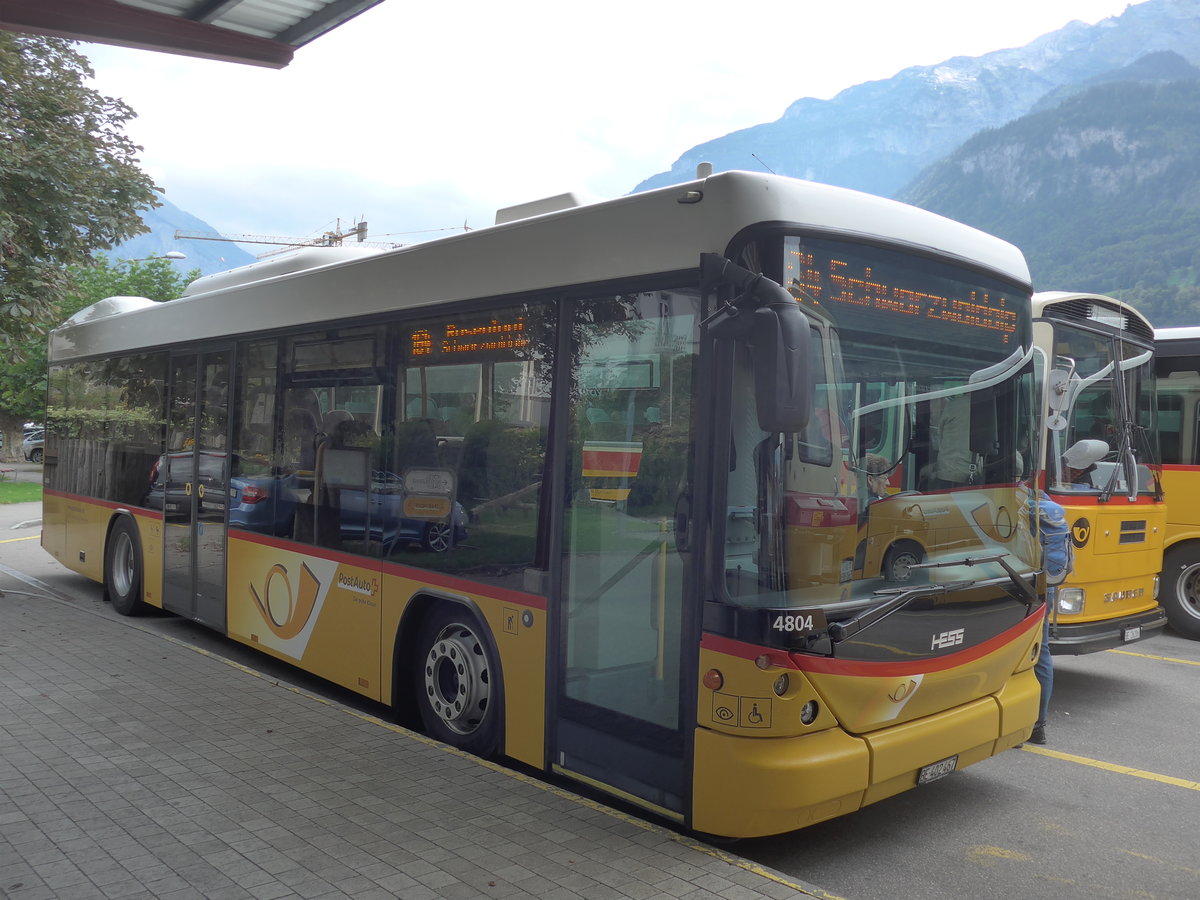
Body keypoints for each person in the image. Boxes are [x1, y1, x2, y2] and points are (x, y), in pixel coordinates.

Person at [1029, 488, 1072, 745]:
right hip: (1050, 585)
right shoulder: (1047, 502)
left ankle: (1017, 724)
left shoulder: (1015, 504)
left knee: (1015, 654)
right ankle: (1039, 725)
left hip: (1025, 587)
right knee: (1042, 652)